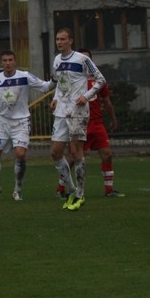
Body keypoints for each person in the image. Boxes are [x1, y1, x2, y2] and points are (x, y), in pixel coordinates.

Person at [0, 50, 52, 202]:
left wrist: (54, 80)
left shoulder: (24, 76)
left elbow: (45, 87)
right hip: (3, 122)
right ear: (1, 63)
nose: (7, 63)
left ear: (15, 62)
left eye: (10, 60)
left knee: (20, 154)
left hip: (21, 122)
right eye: (5, 60)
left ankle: (18, 189)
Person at [50, 28, 106, 211]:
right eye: (57, 39)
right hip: (61, 110)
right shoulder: (57, 60)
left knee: (76, 152)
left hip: (77, 111)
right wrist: (55, 98)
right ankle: (72, 189)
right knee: (55, 152)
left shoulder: (83, 59)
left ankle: (80, 194)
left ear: (71, 41)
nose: (59, 42)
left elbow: (100, 80)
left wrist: (87, 96)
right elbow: (60, 83)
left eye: (63, 39)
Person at [78, 48, 121, 198]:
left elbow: (107, 102)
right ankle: (61, 188)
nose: (85, 62)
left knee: (107, 154)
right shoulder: (74, 80)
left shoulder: (99, 80)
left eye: (87, 59)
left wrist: (113, 119)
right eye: (82, 59)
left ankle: (109, 190)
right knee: (74, 157)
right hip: (80, 123)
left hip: (97, 123)